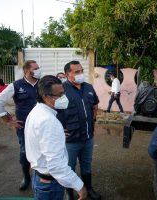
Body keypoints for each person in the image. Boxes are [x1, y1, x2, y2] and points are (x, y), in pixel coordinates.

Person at [25, 75, 87, 200]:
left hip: (40, 178)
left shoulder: (37, 111)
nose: (63, 98)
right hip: (49, 184)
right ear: (45, 97)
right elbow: (56, 166)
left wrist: (56, 135)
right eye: (58, 95)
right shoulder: (48, 121)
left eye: (63, 93)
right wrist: (80, 186)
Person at [0, 60, 41, 190]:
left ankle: (40, 176)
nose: (38, 70)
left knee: (42, 151)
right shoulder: (16, 85)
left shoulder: (43, 84)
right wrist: (9, 120)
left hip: (42, 126)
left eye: (38, 68)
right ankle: (26, 177)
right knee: (25, 152)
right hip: (24, 127)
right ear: (26, 71)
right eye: (35, 68)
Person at [57, 60, 101, 200]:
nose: (81, 74)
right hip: (70, 140)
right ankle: (69, 194)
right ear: (67, 74)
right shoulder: (61, 90)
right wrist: (57, 129)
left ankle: (89, 189)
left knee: (86, 166)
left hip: (88, 138)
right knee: (68, 168)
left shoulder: (88, 87)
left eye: (81, 71)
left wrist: (92, 120)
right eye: (77, 72)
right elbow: (52, 111)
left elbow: (95, 105)